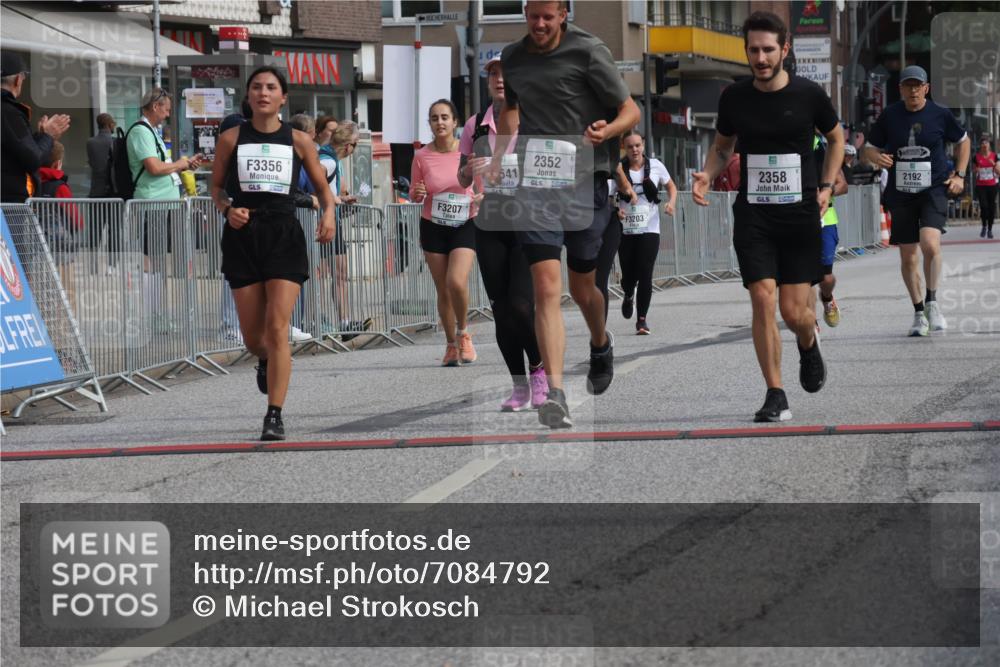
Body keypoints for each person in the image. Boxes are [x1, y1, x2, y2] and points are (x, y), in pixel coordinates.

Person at [489, 0, 641, 428]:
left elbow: (631, 110)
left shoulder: (589, 51)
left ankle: (600, 340)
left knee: (583, 287)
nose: (539, 24)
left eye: (547, 17)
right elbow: (510, 108)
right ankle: (556, 393)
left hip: (584, 181)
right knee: (544, 285)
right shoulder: (514, 58)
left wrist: (607, 131)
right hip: (537, 183)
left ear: (563, 16)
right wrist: (501, 155)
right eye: (532, 16)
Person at [692, 11, 841, 423]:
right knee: (762, 298)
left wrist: (826, 186)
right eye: (753, 50)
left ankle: (808, 343)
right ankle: (775, 392)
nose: (760, 57)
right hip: (755, 215)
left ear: (785, 50)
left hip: (799, 217)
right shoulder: (734, 98)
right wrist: (707, 174)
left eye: (768, 49)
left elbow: (835, 138)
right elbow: (723, 147)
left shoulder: (809, 95)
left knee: (795, 313)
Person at [211, 65, 336, 441]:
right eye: (256, 87)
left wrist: (328, 213)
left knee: (278, 328)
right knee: (254, 337)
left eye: (270, 87)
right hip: (243, 235)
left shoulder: (298, 140)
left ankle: (274, 415)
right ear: (247, 96)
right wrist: (227, 210)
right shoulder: (231, 138)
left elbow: (322, 189)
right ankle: (263, 359)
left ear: (283, 97)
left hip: (283, 234)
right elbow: (215, 188)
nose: (263, 93)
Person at [459, 55, 547, 411]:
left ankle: (539, 369)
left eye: (505, 73)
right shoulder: (475, 125)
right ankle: (518, 384)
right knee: (501, 310)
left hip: (528, 213)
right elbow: (462, 178)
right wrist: (469, 170)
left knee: (522, 306)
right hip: (491, 216)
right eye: (493, 73)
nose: (499, 79)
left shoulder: (533, 120)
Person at [863, 65, 970, 337]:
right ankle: (919, 312)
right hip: (902, 192)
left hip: (933, 188)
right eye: (907, 86)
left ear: (926, 88)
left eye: (917, 85)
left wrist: (959, 174)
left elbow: (964, 141)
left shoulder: (940, 114)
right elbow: (867, 149)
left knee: (930, 244)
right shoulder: (890, 116)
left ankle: (933, 302)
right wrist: (876, 157)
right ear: (900, 89)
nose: (912, 90)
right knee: (909, 256)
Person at [127, 88, 205, 334]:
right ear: (154, 106)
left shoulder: (152, 132)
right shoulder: (141, 131)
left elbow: (162, 165)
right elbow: (153, 167)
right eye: (166, 109)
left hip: (163, 204)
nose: (168, 114)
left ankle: (159, 314)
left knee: (160, 263)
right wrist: (180, 164)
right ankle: (154, 316)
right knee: (153, 261)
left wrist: (182, 165)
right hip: (152, 204)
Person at [411, 99, 479, 367]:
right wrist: (417, 193)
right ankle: (451, 345)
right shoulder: (421, 156)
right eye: (434, 118)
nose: (439, 122)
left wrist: (481, 197)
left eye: (444, 117)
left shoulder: (467, 154)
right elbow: (415, 193)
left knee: (456, 282)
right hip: (433, 225)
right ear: (429, 123)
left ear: (455, 122)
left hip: (464, 223)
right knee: (442, 289)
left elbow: (481, 185)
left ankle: (463, 332)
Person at [615, 130, 676, 334]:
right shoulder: (618, 169)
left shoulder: (656, 166)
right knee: (628, 275)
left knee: (645, 272)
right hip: (626, 229)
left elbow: (671, 187)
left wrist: (671, 203)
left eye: (638, 145)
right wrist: (617, 210)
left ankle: (642, 320)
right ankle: (628, 293)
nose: (634, 149)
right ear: (624, 147)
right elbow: (609, 196)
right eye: (630, 146)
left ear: (643, 145)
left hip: (650, 227)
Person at [324, 121, 373, 340]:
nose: (354, 149)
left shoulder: (332, 160)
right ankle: (310, 322)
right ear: (347, 145)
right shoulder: (326, 160)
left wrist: (341, 199)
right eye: (355, 144)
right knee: (329, 275)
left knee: (341, 273)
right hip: (322, 222)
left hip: (331, 220)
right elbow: (315, 189)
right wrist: (339, 199)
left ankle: (345, 322)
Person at [1, 51, 70, 203]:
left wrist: (40, 137)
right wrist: (48, 136)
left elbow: (16, 150)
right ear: (18, 80)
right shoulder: (8, 112)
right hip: (9, 205)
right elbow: (32, 159)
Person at [810, 133, 849, 327]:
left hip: (825, 219)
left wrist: (827, 191)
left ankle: (827, 297)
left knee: (825, 278)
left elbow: (843, 185)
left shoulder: (822, 149)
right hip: (795, 220)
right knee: (803, 276)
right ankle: (810, 322)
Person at [973, 134, 998, 239]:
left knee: (991, 207)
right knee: (984, 207)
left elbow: (999, 171)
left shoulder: (995, 156)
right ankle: (984, 226)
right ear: (980, 145)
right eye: (982, 143)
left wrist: (993, 165)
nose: (984, 145)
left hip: (992, 185)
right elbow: (974, 170)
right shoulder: (976, 157)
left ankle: (990, 229)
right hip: (981, 185)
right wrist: (976, 170)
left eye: (986, 143)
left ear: (989, 145)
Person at [87, 113, 116, 197]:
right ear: (110, 125)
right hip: (112, 190)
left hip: (96, 189)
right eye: (113, 124)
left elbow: (92, 163)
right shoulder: (115, 142)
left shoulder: (90, 142)